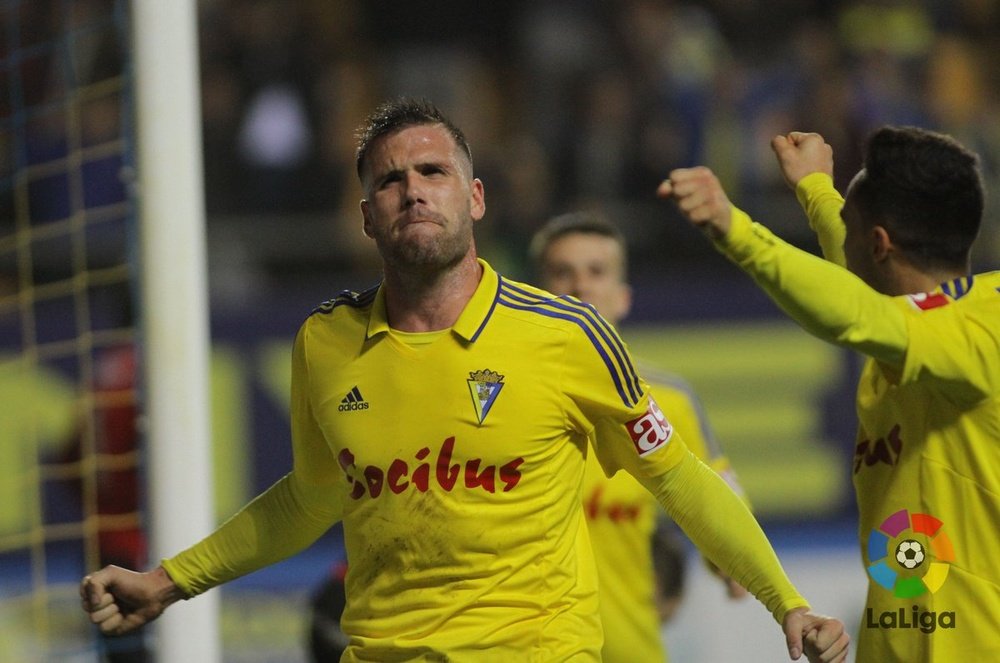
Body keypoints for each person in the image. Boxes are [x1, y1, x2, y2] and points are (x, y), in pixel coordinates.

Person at [80, 98, 849, 662]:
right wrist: (170, 580)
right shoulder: (324, 341)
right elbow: (309, 496)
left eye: (433, 171)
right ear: (366, 218)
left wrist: (789, 604)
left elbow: (680, 475)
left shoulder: (567, 333)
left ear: (474, 197)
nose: (413, 189)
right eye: (390, 181)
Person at [659, 125, 1000, 662]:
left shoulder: (982, 331)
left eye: (851, 228)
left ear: (880, 244)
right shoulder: (934, 328)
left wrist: (735, 229)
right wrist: (818, 190)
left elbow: (856, 310)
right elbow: (870, 293)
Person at [529, 211, 748, 661]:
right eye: (562, 272)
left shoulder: (669, 401)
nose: (580, 286)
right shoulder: (494, 395)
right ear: (533, 295)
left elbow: (719, 501)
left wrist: (732, 560)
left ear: (623, 297)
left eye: (596, 271)